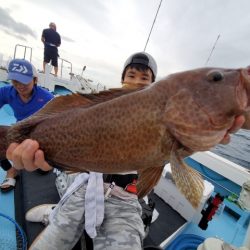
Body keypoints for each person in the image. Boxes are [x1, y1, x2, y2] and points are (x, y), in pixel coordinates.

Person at [6, 52, 158, 250]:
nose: (137, 82)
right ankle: (58, 213)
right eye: (131, 75)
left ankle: (58, 212)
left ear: (154, 85)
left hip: (125, 199)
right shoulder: (104, 108)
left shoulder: (157, 121)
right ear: (122, 79)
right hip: (87, 186)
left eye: (145, 78)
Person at [0, 58, 54, 192]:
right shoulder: (7, 92)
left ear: (35, 79)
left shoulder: (47, 97)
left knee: (42, 170)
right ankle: (11, 171)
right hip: (18, 131)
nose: (20, 85)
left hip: (39, 134)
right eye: (15, 81)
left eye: (24, 81)